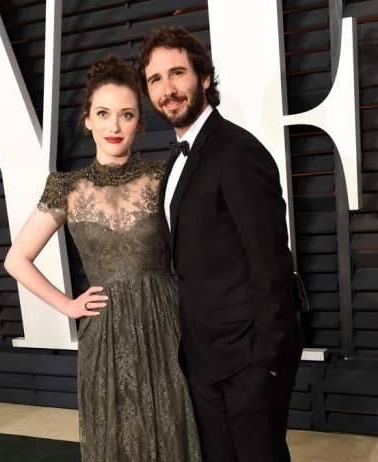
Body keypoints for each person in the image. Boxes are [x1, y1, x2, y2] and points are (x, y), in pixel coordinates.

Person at [4, 56, 201, 462]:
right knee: (117, 437)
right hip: (105, 331)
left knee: (173, 430)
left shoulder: (163, 176)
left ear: (139, 123)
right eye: (104, 114)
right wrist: (67, 305)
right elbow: (16, 259)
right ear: (88, 120)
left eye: (127, 115)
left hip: (167, 324)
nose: (115, 126)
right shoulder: (65, 188)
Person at [138, 27, 304, 462]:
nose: (168, 89)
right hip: (203, 355)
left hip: (248, 358)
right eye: (155, 79)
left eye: (177, 73)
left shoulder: (236, 150)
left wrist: (265, 362)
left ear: (205, 77)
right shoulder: (176, 160)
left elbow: (271, 262)